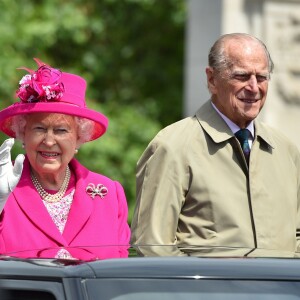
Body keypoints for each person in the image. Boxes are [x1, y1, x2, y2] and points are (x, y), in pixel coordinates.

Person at [130, 33, 300, 257]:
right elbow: (152, 247)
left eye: (261, 77)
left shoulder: (286, 150)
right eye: (241, 76)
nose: (253, 87)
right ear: (212, 79)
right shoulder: (172, 146)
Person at [0, 58, 130, 260]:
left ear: (79, 137)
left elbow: (120, 272)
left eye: (61, 130)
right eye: (39, 129)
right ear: (23, 133)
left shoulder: (109, 194)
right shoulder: (4, 189)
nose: (49, 141)